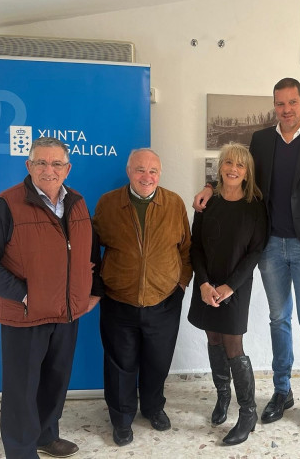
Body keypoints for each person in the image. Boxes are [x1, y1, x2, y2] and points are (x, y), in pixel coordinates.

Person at [194, 78, 300, 440]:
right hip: (271, 246)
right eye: (280, 104)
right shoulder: (262, 140)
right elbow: (237, 169)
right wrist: (210, 186)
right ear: (273, 106)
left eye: (292, 102)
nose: (286, 109)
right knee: (279, 320)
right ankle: (282, 391)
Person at [0, 137, 102, 459]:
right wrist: (25, 295)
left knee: (55, 383)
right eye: (41, 162)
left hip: (67, 313)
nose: (49, 170)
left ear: (67, 169)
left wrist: (91, 290)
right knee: (21, 391)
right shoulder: (6, 204)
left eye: (56, 163)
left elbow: (89, 251)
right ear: (29, 166)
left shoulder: (78, 203)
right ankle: (20, 451)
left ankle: (45, 436)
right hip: (25, 316)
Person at [93, 148, 192, 446]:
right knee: (120, 364)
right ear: (128, 171)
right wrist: (97, 286)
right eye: (140, 169)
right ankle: (122, 419)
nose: (146, 176)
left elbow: (186, 248)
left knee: (157, 362)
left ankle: (152, 408)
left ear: (159, 174)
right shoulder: (109, 203)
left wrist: (182, 283)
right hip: (118, 300)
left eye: (152, 171)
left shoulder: (174, 203)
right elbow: (92, 248)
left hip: (164, 300)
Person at [188, 143, 267, 445]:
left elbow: (256, 251)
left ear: (248, 172)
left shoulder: (255, 205)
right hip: (207, 284)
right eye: (228, 163)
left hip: (236, 286)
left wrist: (229, 287)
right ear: (220, 167)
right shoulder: (209, 202)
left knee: (234, 346)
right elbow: (195, 246)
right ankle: (223, 396)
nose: (233, 169)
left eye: (240, 165)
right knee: (213, 338)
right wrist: (205, 283)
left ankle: (248, 412)